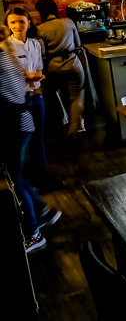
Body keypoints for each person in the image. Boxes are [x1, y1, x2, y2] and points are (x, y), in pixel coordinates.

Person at [0, 26, 61, 253]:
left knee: (13, 178)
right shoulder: (6, 55)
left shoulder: (2, 59)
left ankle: (34, 234)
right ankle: (43, 210)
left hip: (14, 126)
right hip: (18, 123)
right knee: (14, 174)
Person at [4, 7, 62, 191]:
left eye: (21, 21)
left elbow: (38, 68)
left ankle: (41, 177)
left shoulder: (36, 44)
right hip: (17, 102)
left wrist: (38, 76)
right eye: (12, 22)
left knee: (39, 139)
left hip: (36, 96)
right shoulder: (5, 47)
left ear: (29, 23)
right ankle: (16, 182)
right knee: (19, 143)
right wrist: (25, 78)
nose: (17, 25)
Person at [35, 0, 85, 140]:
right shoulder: (68, 22)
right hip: (72, 63)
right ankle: (77, 126)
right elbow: (78, 43)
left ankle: (63, 122)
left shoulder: (40, 29)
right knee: (75, 97)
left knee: (55, 94)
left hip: (53, 66)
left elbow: (42, 53)